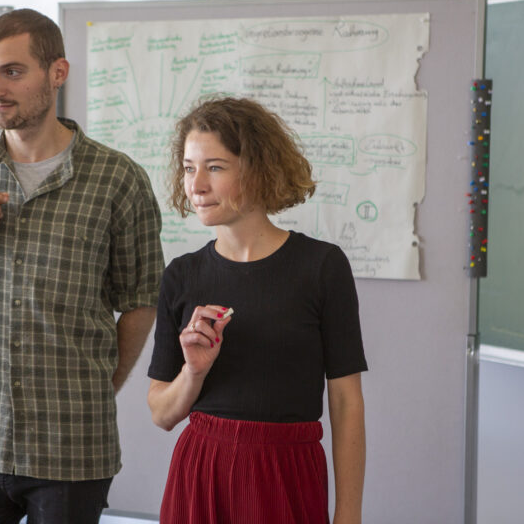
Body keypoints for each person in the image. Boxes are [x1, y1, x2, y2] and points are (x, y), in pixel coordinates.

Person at [0, 8, 164, 524]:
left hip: (71, 444)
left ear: (57, 73)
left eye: (13, 71)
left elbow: (139, 298)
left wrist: (100, 383)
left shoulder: (118, 178)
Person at [147, 96, 367, 524]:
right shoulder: (181, 275)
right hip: (201, 475)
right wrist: (193, 371)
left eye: (215, 167)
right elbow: (161, 413)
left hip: (288, 474)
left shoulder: (322, 266)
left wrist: (349, 514)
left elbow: (346, 403)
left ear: (257, 168)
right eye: (189, 168)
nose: (196, 186)